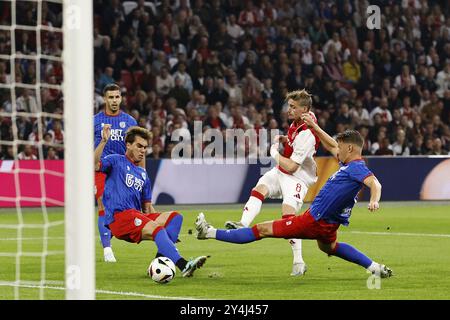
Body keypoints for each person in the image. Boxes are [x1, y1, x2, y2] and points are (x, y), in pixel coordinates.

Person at [196, 118, 393, 279]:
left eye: (340, 147)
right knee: (330, 247)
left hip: (314, 221)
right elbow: (331, 144)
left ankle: (209, 232)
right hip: (328, 224)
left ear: (350, 149)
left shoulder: (357, 167)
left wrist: (374, 200)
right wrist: (315, 128)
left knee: (262, 229)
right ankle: (374, 267)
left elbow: (376, 184)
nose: (336, 150)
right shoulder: (349, 164)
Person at [224, 89, 320, 276]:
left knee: (288, 218)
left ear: (305, 109)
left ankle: (299, 261)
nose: (289, 110)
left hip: (298, 177)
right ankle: (243, 224)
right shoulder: (302, 120)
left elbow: (292, 166)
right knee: (259, 189)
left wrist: (274, 153)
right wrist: (287, 140)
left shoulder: (307, 134)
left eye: (293, 107)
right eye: (289, 106)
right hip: (281, 171)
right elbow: (295, 145)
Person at [95, 125, 208, 277]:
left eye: (145, 147)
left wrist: (166, 232)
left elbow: (147, 207)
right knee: (158, 230)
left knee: (175, 218)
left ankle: (156, 266)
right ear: (128, 145)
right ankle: (184, 265)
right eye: (139, 146)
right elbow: (94, 164)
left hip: (135, 216)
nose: (143, 150)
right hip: (120, 217)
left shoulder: (142, 174)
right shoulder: (115, 161)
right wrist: (103, 141)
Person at [94, 83, 139, 262]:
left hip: (122, 170)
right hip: (101, 168)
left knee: (122, 209)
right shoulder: (94, 121)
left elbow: (137, 148)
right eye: (111, 97)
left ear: (121, 98)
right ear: (105, 99)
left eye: (117, 97)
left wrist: (140, 170)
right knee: (102, 206)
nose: (114, 100)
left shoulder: (129, 122)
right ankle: (107, 250)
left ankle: (114, 234)